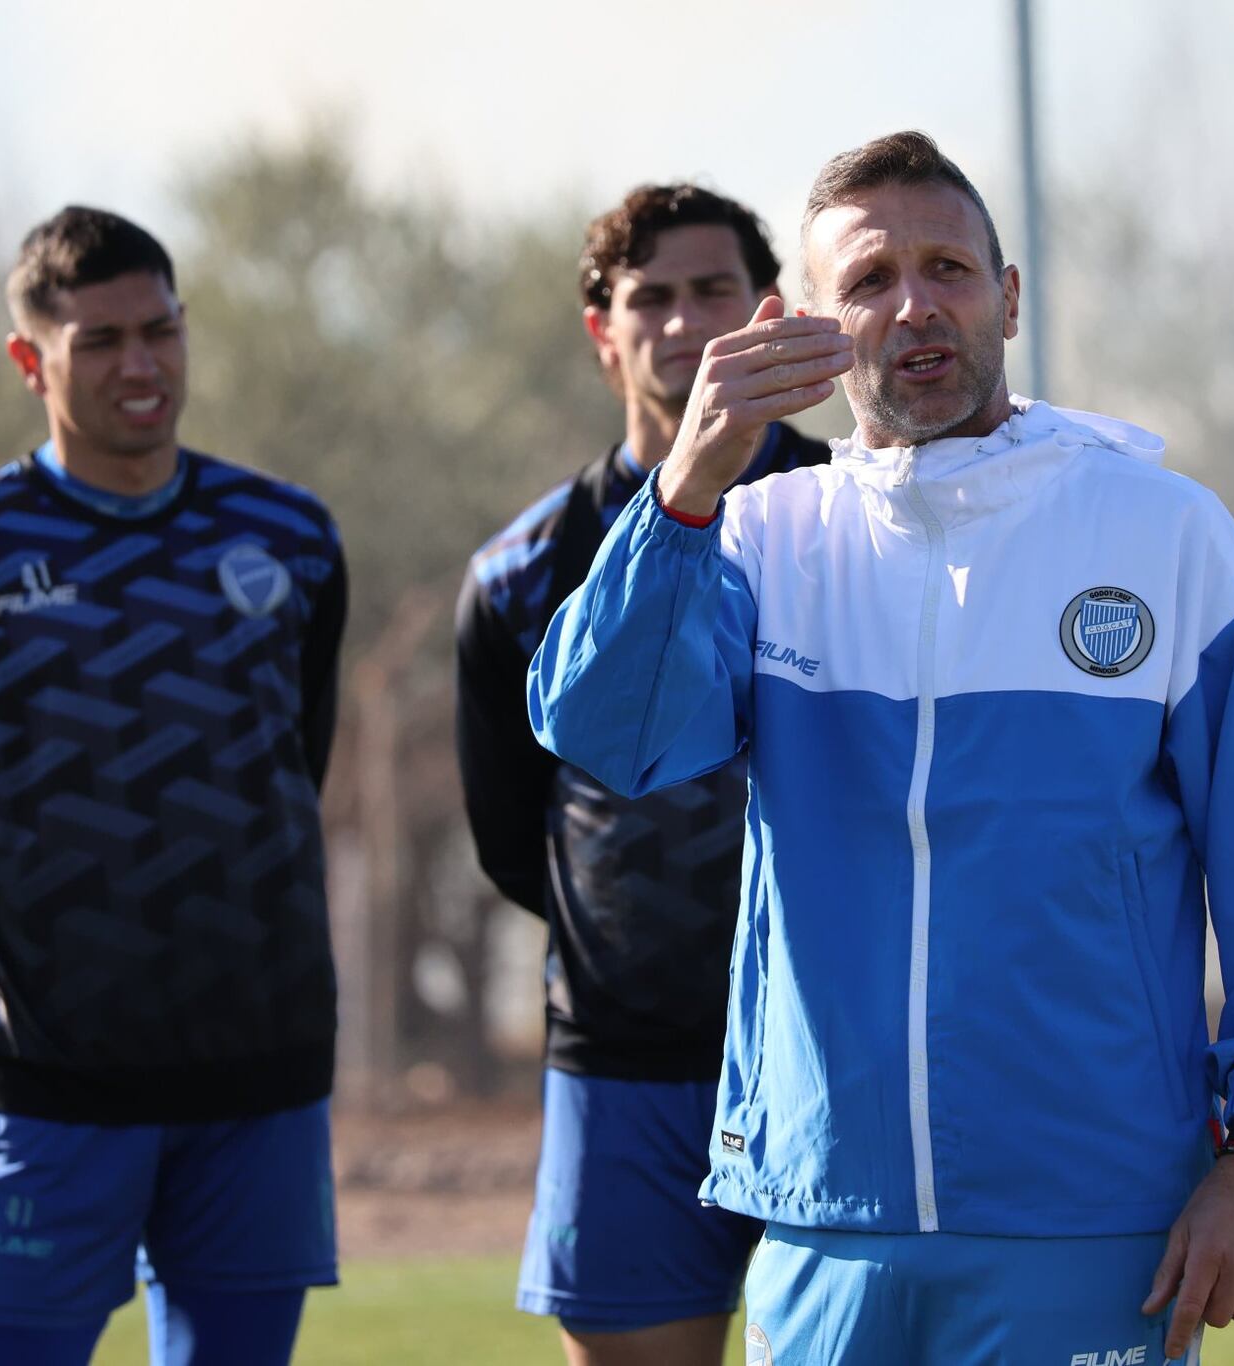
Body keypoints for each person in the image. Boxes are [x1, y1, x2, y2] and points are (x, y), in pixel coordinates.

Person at [527, 131, 1234, 1365]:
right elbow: (607, 731)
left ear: (1010, 297)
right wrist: (685, 483)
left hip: (1091, 1228)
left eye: (947, 268)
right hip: (824, 1227)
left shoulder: (1168, 536)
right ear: (813, 325)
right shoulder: (760, 539)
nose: (914, 305)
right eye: (868, 280)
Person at [0, 207, 348, 1366]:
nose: (140, 364)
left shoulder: (289, 536)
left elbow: (293, 761)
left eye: (159, 330)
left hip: (260, 1074)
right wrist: (46, 917)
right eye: (99, 341)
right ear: (28, 358)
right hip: (53, 1083)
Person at [455, 183, 830, 1366]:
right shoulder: (522, 569)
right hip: (623, 1069)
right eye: (649, 297)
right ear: (600, 331)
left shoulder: (857, 518)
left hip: (834, 1058)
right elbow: (513, 839)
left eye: (711, 290)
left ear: (765, 312)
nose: (681, 321)